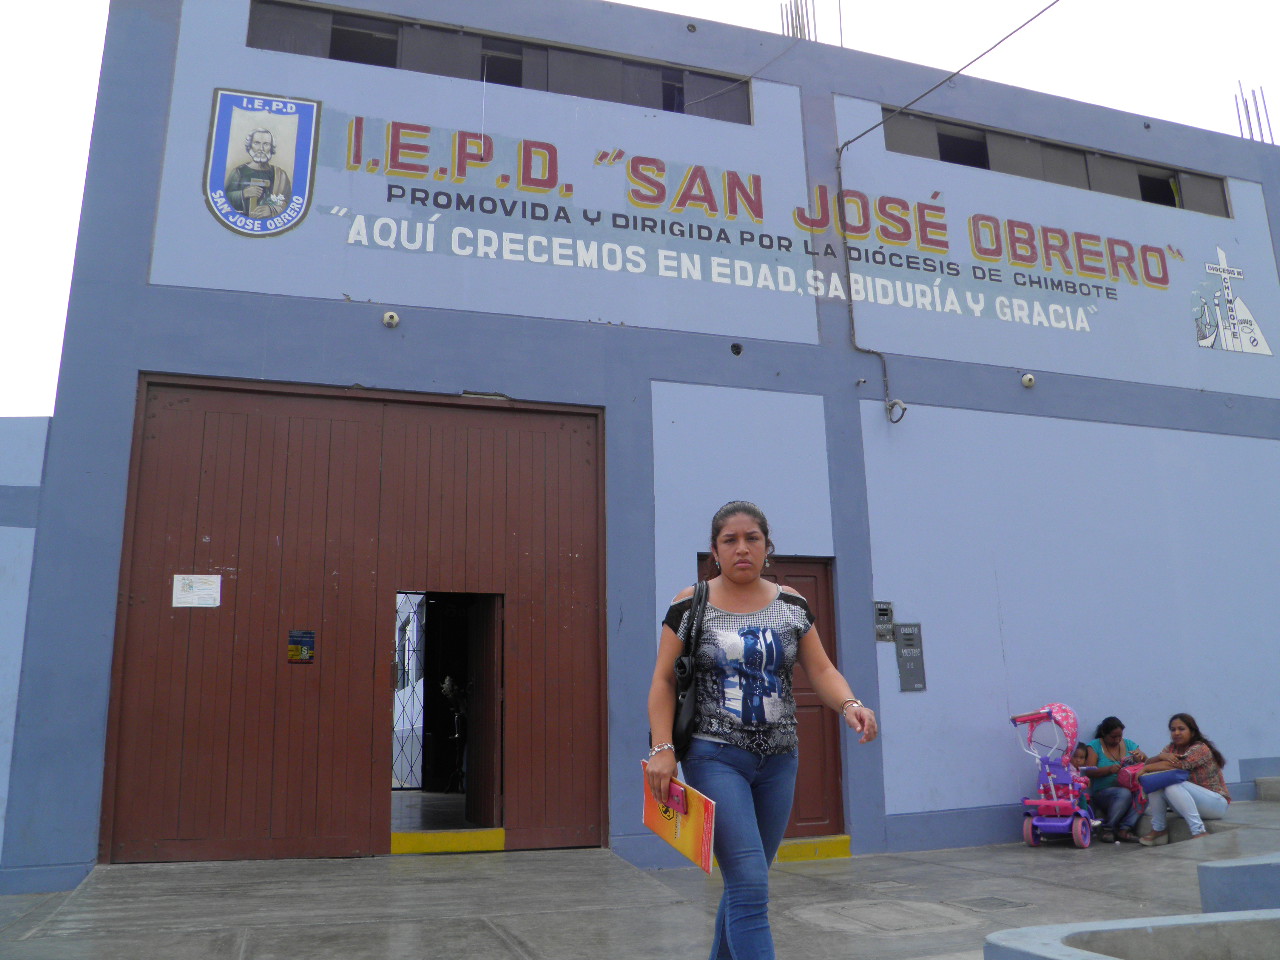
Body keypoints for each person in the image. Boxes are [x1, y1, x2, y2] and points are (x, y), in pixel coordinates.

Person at [646, 501, 877, 960]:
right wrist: (663, 747)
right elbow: (664, 681)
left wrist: (850, 704)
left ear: (767, 546)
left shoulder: (792, 604)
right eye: (729, 540)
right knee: (750, 883)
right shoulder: (689, 604)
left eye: (752, 538)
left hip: (779, 761)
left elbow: (822, 669)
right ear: (715, 550)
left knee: (744, 883)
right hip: (714, 756)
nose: (742, 548)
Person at [1138, 713, 1230, 845]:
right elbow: (1152, 763)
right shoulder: (1170, 748)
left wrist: (1147, 768)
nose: (1176, 733)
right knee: (1155, 783)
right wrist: (1160, 757)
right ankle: (1159, 830)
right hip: (1186, 802)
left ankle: (1199, 831)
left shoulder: (1200, 748)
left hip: (1215, 804)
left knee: (1172, 785)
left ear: (1192, 732)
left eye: (1181, 729)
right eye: (1173, 730)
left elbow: (1179, 765)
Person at [1083, 717, 1147, 843]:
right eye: (1113, 737)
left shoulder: (1128, 744)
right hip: (1103, 793)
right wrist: (1109, 770)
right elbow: (1089, 771)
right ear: (1104, 733)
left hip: (1129, 788)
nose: (1117, 740)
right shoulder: (1095, 746)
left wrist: (1141, 757)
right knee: (1124, 793)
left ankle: (1125, 828)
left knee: (1144, 792)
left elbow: (1146, 762)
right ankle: (1108, 829)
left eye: (1120, 736)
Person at [225, 128, 293, 217]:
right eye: (256, 143)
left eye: (266, 144)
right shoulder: (238, 172)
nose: (261, 149)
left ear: (271, 148)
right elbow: (225, 197)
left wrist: (271, 209)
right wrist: (244, 193)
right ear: (250, 146)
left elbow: (289, 202)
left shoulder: (281, 175)